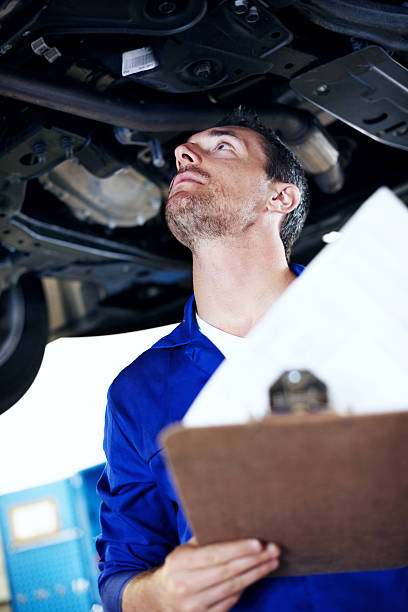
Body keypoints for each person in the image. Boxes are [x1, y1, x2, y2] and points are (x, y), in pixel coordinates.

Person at [96, 108, 408, 612]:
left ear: (280, 197)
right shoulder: (137, 391)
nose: (184, 154)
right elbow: (121, 575)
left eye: (222, 147)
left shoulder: (385, 323)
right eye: (184, 154)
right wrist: (162, 594)